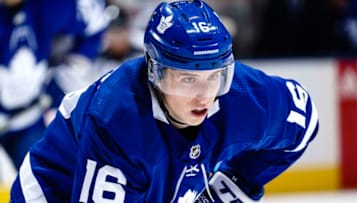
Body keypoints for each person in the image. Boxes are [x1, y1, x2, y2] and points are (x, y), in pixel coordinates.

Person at [10, 0, 319, 202]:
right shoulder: (117, 120)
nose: (204, 95)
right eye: (187, 78)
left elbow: (304, 120)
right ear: (155, 72)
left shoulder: (244, 96)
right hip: (53, 191)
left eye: (215, 76)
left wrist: (230, 188)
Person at [0, 0, 109, 170]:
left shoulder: (47, 6)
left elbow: (96, 18)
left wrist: (70, 72)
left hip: (29, 123)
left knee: (52, 182)